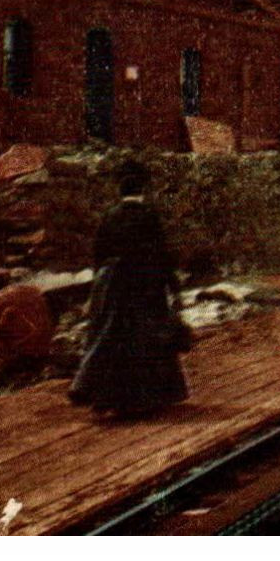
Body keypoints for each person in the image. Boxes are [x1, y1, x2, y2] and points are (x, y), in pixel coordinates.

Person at [69, 161, 190, 415]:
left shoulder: (110, 216)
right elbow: (162, 254)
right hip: (146, 286)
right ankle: (147, 399)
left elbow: (99, 255)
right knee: (147, 339)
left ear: (120, 193)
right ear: (142, 190)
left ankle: (109, 396)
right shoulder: (149, 216)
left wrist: (100, 289)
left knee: (113, 339)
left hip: (115, 287)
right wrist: (174, 288)